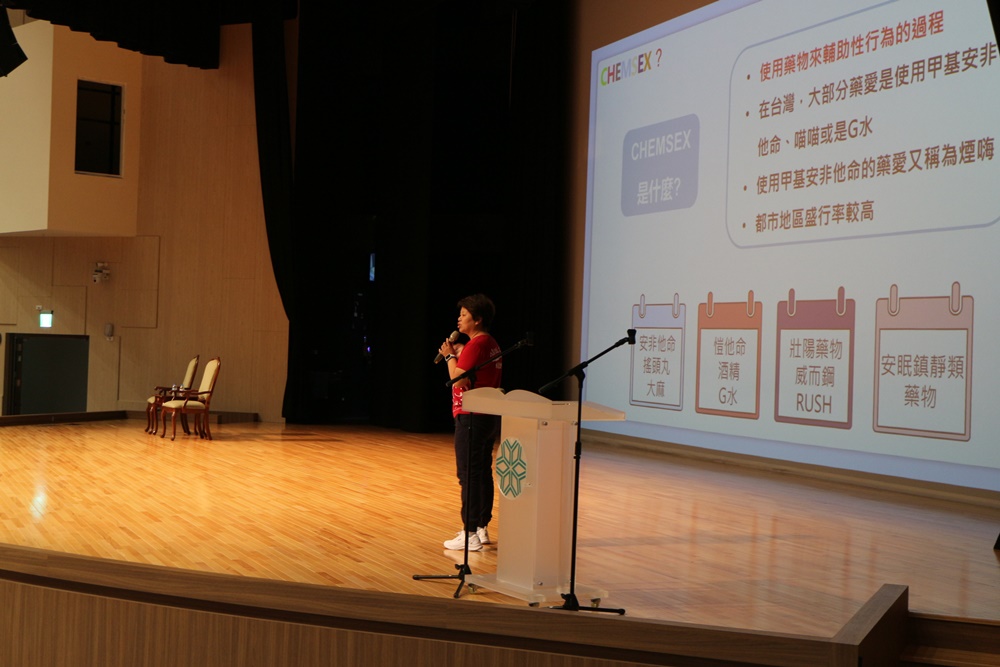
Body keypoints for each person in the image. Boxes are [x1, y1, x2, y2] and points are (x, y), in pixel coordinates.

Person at [438, 294, 502, 551]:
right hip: (487, 415)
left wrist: (448, 356)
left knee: (468, 474)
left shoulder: (477, 344)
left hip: (471, 416)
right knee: (481, 471)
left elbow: (459, 380)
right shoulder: (489, 343)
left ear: (477, 320)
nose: (459, 319)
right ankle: (481, 527)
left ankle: (470, 533)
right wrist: (460, 354)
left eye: (464, 315)